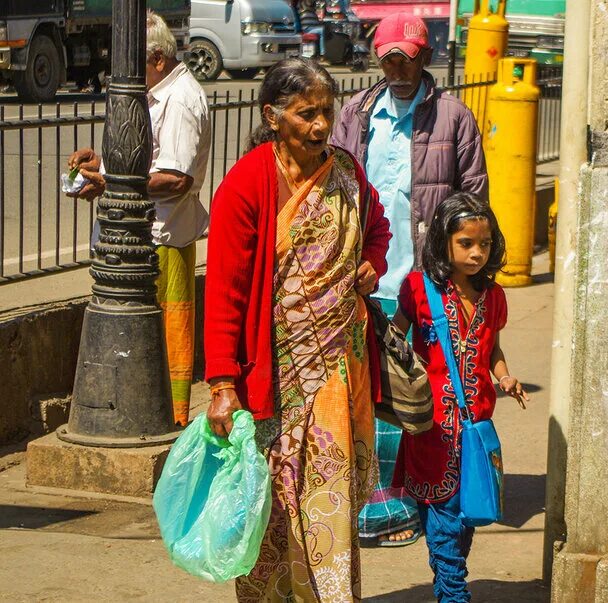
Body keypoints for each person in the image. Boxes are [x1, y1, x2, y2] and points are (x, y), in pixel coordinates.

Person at [203, 58, 391, 602]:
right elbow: (226, 295)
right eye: (306, 114)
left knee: (327, 505)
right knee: (272, 511)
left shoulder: (348, 174)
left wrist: (371, 264)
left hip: (337, 373)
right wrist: (221, 384)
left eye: (326, 112)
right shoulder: (245, 186)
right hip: (271, 385)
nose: (319, 125)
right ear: (272, 116)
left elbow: (377, 229)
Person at [331, 12, 488, 547]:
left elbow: (473, 203)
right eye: (389, 57)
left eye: (408, 56)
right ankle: (375, 504)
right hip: (365, 275)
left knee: (422, 392)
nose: (397, 66)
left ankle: (418, 499)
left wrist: (460, 278)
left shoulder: (454, 118)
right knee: (368, 392)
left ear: (425, 56)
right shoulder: (356, 112)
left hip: (423, 282)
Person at [68, 11, 211, 427]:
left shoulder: (181, 98)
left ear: (158, 58)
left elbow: (176, 178)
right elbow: (145, 160)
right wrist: (101, 164)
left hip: (162, 237)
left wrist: (110, 181)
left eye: (133, 64)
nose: (124, 73)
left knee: (165, 336)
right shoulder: (154, 95)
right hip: (147, 235)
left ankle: (170, 419)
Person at [392, 193, 528, 602]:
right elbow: (396, 338)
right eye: (466, 244)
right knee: (445, 514)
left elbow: (494, 351)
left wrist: (505, 378)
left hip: (474, 430)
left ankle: (447, 576)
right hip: (430, 429)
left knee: (466, 515)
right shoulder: (418, 289)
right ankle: (453, 593)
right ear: (443, 242)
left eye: (484, 244)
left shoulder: (495, 296)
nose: (476, 253)